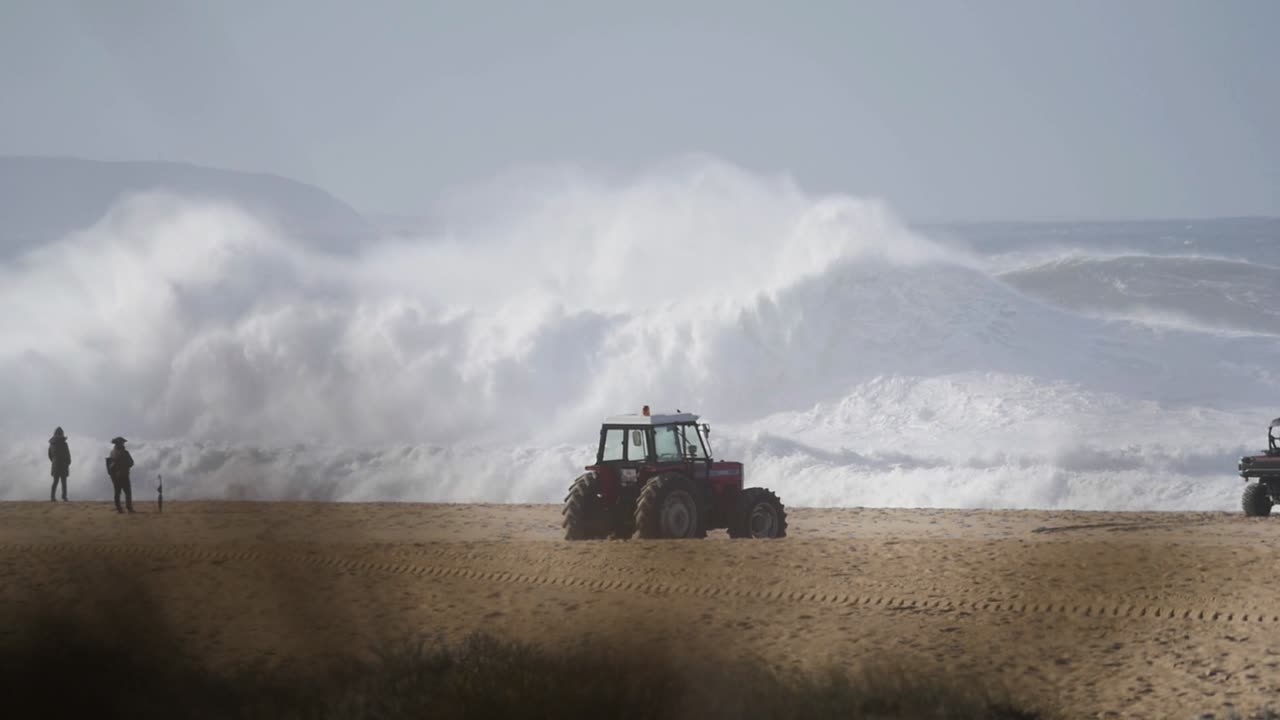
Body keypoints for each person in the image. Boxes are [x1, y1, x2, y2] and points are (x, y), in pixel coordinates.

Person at [107, 437, 135, 514]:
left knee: (117, 492)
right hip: (124, 475)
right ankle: (129, 508)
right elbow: (131, 463)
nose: (123, 444)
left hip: (115, 476)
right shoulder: (125, 453)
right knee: (127, 492)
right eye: (122, 443)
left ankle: (119, 509)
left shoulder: (112, 452)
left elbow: (109, 464)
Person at [48, 427, 71, 502]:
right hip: (63, 464)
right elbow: (67, 454)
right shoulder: (64, 444)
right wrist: (68, 462)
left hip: (55, 464)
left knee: (55, 481)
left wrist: (54, 461)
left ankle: (52, 497)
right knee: (63, 481)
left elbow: (50, 455)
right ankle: (64, 497)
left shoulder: (51, 444)